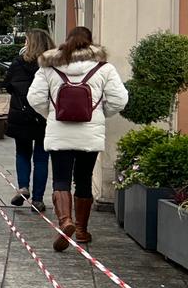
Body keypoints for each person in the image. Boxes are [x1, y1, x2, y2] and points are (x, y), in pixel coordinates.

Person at [28, 25, 128, 252]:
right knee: (83, 179)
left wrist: (52, 114)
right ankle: (81, 230)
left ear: (67, 42)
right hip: (89, 133)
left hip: (59, 132)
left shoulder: (49, 67)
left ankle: (65, 221)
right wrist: (100, 113)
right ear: (91, 43)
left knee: (61, 179)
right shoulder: (104, 68)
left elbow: (34, 98)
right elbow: (119, 100)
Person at [4, 28, 53, 212]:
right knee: (41, 158)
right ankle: (38, 199)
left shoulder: (17, 63)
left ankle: (23, 186)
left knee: (22, 153)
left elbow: (8, 85)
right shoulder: (51, 65)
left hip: (20, 114)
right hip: (44, 115)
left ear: (29, 43)